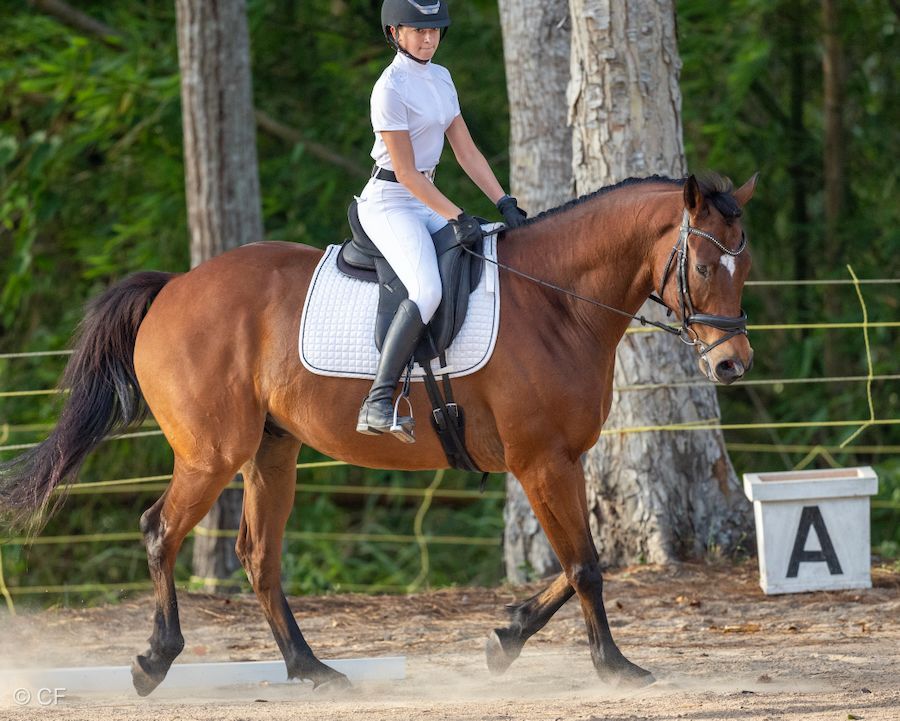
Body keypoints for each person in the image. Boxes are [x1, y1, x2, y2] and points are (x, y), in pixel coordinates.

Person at [355, 0, 527, 442]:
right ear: (395, 32)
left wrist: (503, 200)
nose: (428, 39)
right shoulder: (388, 88)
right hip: (390, 200)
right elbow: (407, 172)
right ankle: (377, 399)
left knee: (490, 243)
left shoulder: (441, 78)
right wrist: (455, 215)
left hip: (424, 193)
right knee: (427, 287)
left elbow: (465, 151)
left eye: (435, 31)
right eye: (418, 31)